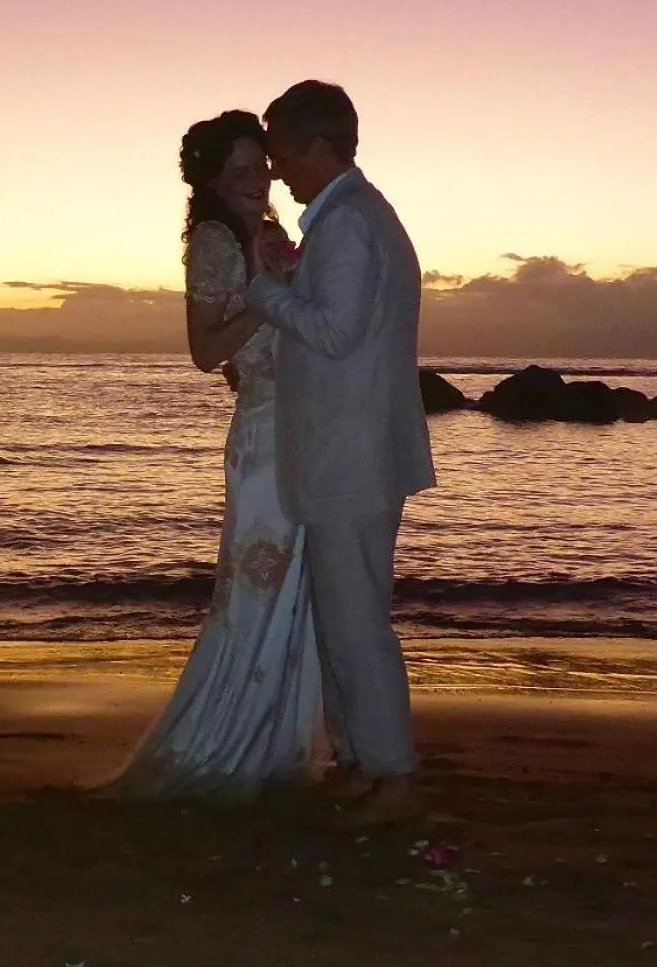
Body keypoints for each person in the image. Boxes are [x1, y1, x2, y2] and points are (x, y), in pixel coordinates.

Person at [107, 110, 322, 800]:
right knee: (257, 581)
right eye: (237, 171)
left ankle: (267, 739)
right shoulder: (212, 239)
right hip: (263, 432)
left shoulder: (261, 232)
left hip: (291, 417)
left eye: (258, 166)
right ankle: (227, 740)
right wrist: (268, 302)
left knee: (292, 584)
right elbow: (205, 351)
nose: (255, 179)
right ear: (210, 180)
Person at [245, 80, 436, 827]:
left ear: (319, 147)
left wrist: (264, 289)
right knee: (345, 617)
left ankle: (390, 774)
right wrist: (293, 270)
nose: (279, 171)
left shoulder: (352, 222)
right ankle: (363, 760)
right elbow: (340, 316)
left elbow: (333, 332)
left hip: (349, 455)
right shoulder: (351, 219)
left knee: (356, 622)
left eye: (284, 153)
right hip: (349, 451)